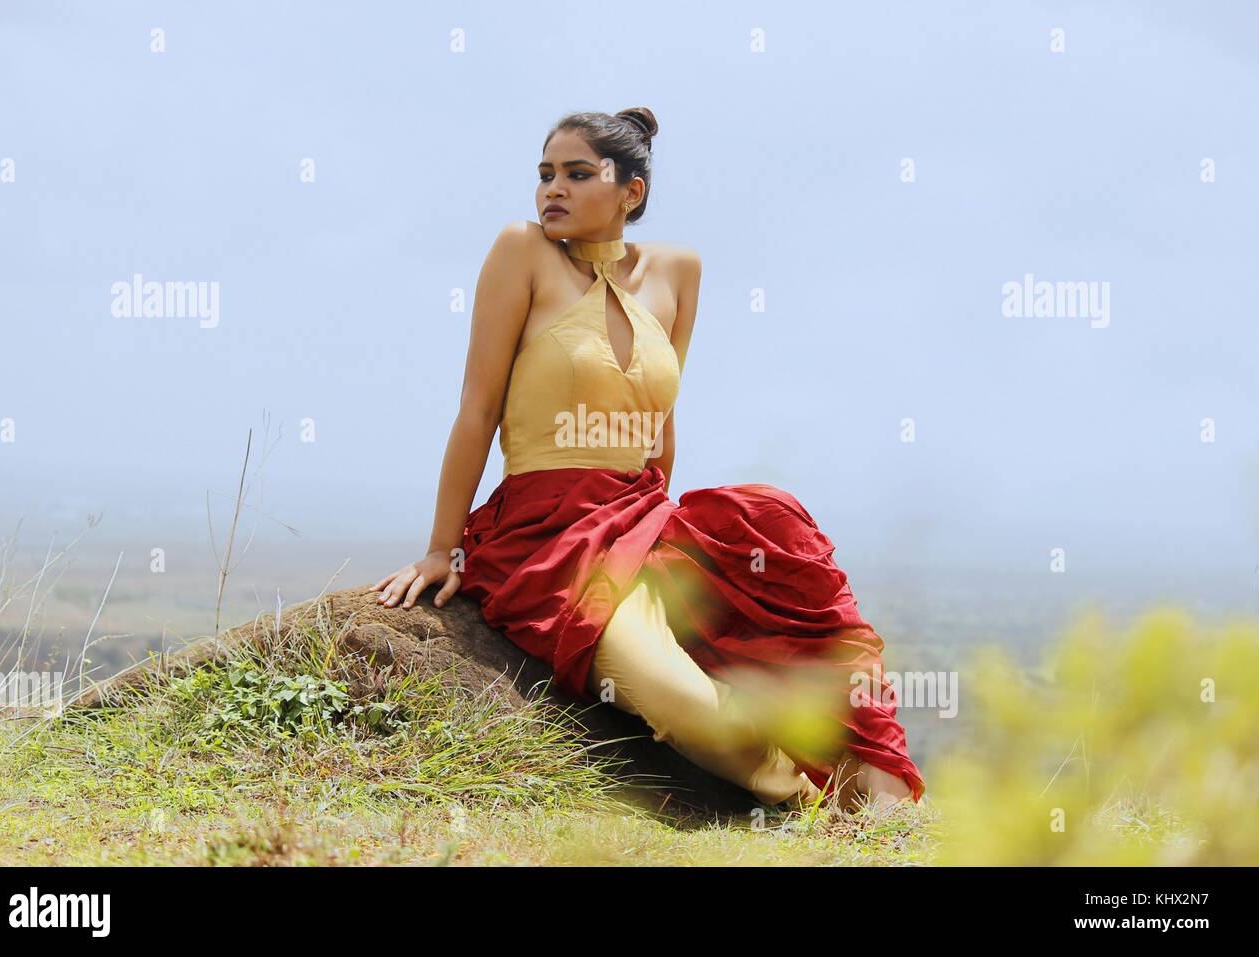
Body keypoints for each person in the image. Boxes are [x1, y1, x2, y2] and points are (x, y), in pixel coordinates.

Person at [368, 107, 925, 813]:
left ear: (630, 191)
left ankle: (875, 789)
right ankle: (815, 797)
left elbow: (661, 419)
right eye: (544, 175)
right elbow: (477, 409)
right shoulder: (521, 252)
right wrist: (441, 548)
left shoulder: (679, 271)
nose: (552, 190)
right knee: (682, 699)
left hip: (643, 518)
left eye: (577, 174)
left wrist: (666, 536)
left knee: (782, 553)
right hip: (550, 537)